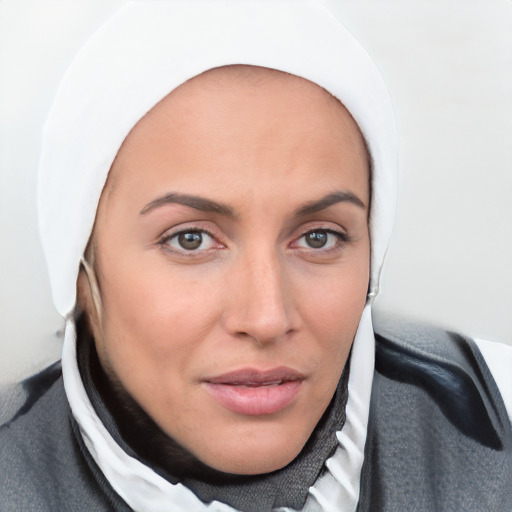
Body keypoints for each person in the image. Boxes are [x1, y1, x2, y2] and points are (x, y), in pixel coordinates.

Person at [1, 1, 511, 511]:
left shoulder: (497, 406)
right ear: (80, 270)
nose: (266, 318)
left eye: (318, 238)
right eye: (190, 240)